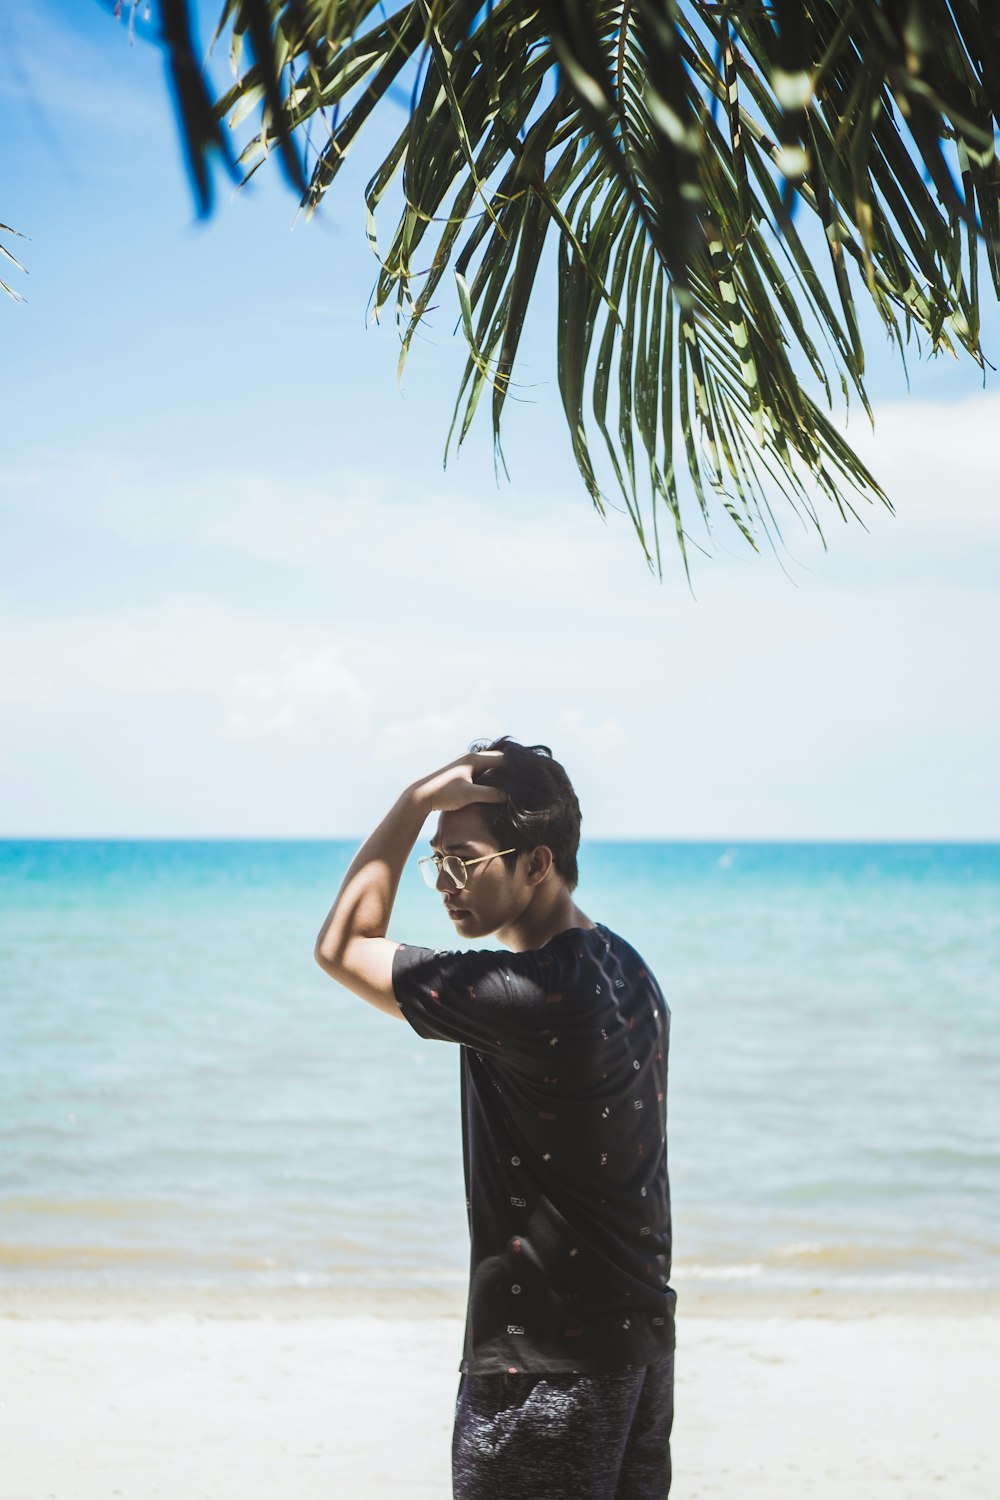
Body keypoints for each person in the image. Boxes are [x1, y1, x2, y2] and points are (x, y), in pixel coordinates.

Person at [314, 737, 675, 1500]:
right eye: (434, 859)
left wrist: (414, 799)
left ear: (536, 863)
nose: (443, 882)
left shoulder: (526, 991)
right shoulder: (627, 968)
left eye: (463, 859)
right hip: (638, 1346)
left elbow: (344, 946)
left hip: (547, 1366)